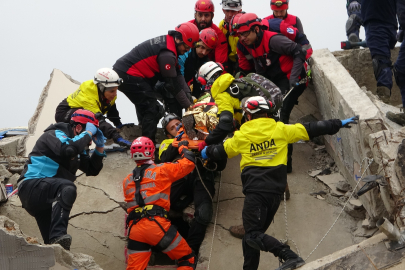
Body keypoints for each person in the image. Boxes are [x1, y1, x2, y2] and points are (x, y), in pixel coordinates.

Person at [201, 95, 359, 270]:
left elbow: (222, 151)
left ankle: (288, 255)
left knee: (252, 235)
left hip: (256, 193)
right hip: (276, 193)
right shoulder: (281, 130)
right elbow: (312, 128)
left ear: (248, 115)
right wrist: (339, 123)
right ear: (267, 114)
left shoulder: (241, 136)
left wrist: (205, 151)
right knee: (252, 236)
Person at [17, 109, 106, 250]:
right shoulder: (54, 134)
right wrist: (88, 133)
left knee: (56, 249)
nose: (90, 142)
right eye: (91, 134)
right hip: (31, 188)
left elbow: (92, 169)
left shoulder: (77, 146)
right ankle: (59, 234)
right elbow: (68, 149)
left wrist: (100, 147)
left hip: (47, 196)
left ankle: (57, 244)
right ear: (78, 128)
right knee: (67, 187)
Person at [234, 13, 308, 175]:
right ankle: (271, 158)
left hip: (292, 79)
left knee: (282, 117)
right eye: (240, 35)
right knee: (269, 115)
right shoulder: (249, 44)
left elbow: (299, 52)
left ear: (256, 29)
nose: (242, 38)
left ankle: (286, 165)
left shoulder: (274, 39)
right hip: (276, 81)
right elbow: (259, 65)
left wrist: (294, 78)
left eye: (245, 33)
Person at [113, 22, 199, 144]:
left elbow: (178, 74)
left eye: (190, 48)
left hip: (132, 73)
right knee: (153, 109)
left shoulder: (170, 46)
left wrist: (188, 93)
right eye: (186, 46)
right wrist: (188, 106)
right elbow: (171, 84)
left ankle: (143, 137)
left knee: (146, 105)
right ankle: (147, 147)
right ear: (178, 39)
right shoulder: (167, 54)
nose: (187, 50)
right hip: (128, 74)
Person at [123, 136, 197, 270]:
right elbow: (189, 163)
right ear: (151, 152)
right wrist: (183, 147)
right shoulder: (161, 170)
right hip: (156, 224)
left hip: (134, 229)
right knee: (187, 259)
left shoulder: (127, 180)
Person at [159, 113, 221, 257]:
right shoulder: (167, 143)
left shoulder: (201, 136)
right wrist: (178, 144)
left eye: (178, 124)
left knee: (204, 213)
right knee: (160, 207)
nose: (177, 128)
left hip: (202, 175)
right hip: (180, 175)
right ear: (169, 135)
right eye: (172, 128)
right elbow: (162, 160)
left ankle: (191, 252)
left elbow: (220, 164)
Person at [55, 68, 132, 148]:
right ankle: (81, 149)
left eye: (116, 90)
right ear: (102, 88)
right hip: (64, 112)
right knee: (87, 120)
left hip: (81, 110)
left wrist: (118, 124)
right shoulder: (89, 98)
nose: (115, 94)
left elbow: (111, 109)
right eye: (112, 91)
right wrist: (117, 137)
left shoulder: (108, 94)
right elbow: (99, 122)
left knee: (91, 120)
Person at [360, 0, 398, 105]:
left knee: (381, 61)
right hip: (391, 23)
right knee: (383, 60)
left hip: (376, 21)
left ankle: (384, 97)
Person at [178, 28, 219, 100]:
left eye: (208, 50)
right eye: (202, 47)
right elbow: (178, 77)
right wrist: (188, 94)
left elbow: (204, 84)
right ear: (196, 42)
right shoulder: (184, 53)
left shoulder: (206, 62)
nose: (204, 52)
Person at [191, 0, 229, 71]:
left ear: (212, 16)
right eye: (200, 15)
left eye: (206, 15)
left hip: (209, 69)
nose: (203, 19)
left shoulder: (219, 36)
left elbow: (221, 65)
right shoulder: (188, 28)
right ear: (195, 15)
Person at [218, 0, 243, 75]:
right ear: (223, 10)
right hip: (229, 62)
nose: (230, 14)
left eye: (233, 11)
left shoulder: (245, 24)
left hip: (245, 61)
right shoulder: (221, 26)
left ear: (239, 11)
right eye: (227, 10)